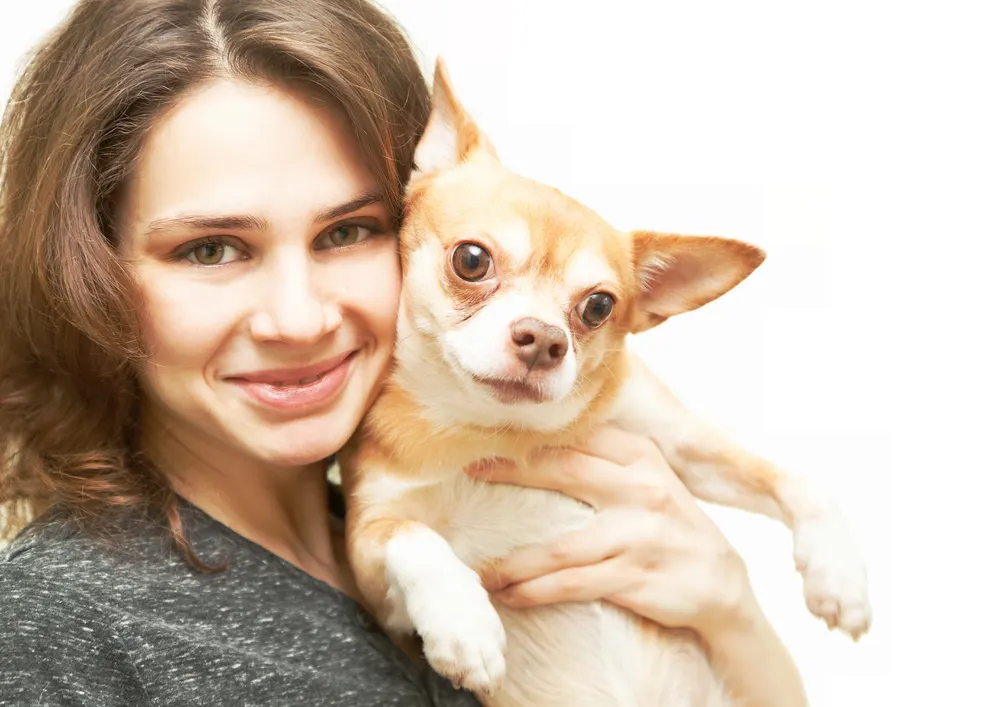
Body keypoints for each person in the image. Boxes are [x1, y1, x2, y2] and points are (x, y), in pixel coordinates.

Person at [0, 1, 808, 705]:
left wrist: (734, 618)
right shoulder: (56, 620)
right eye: (212, 250)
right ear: (85, 269)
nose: (300, 317)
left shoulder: (458, 510)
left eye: (346, 232)